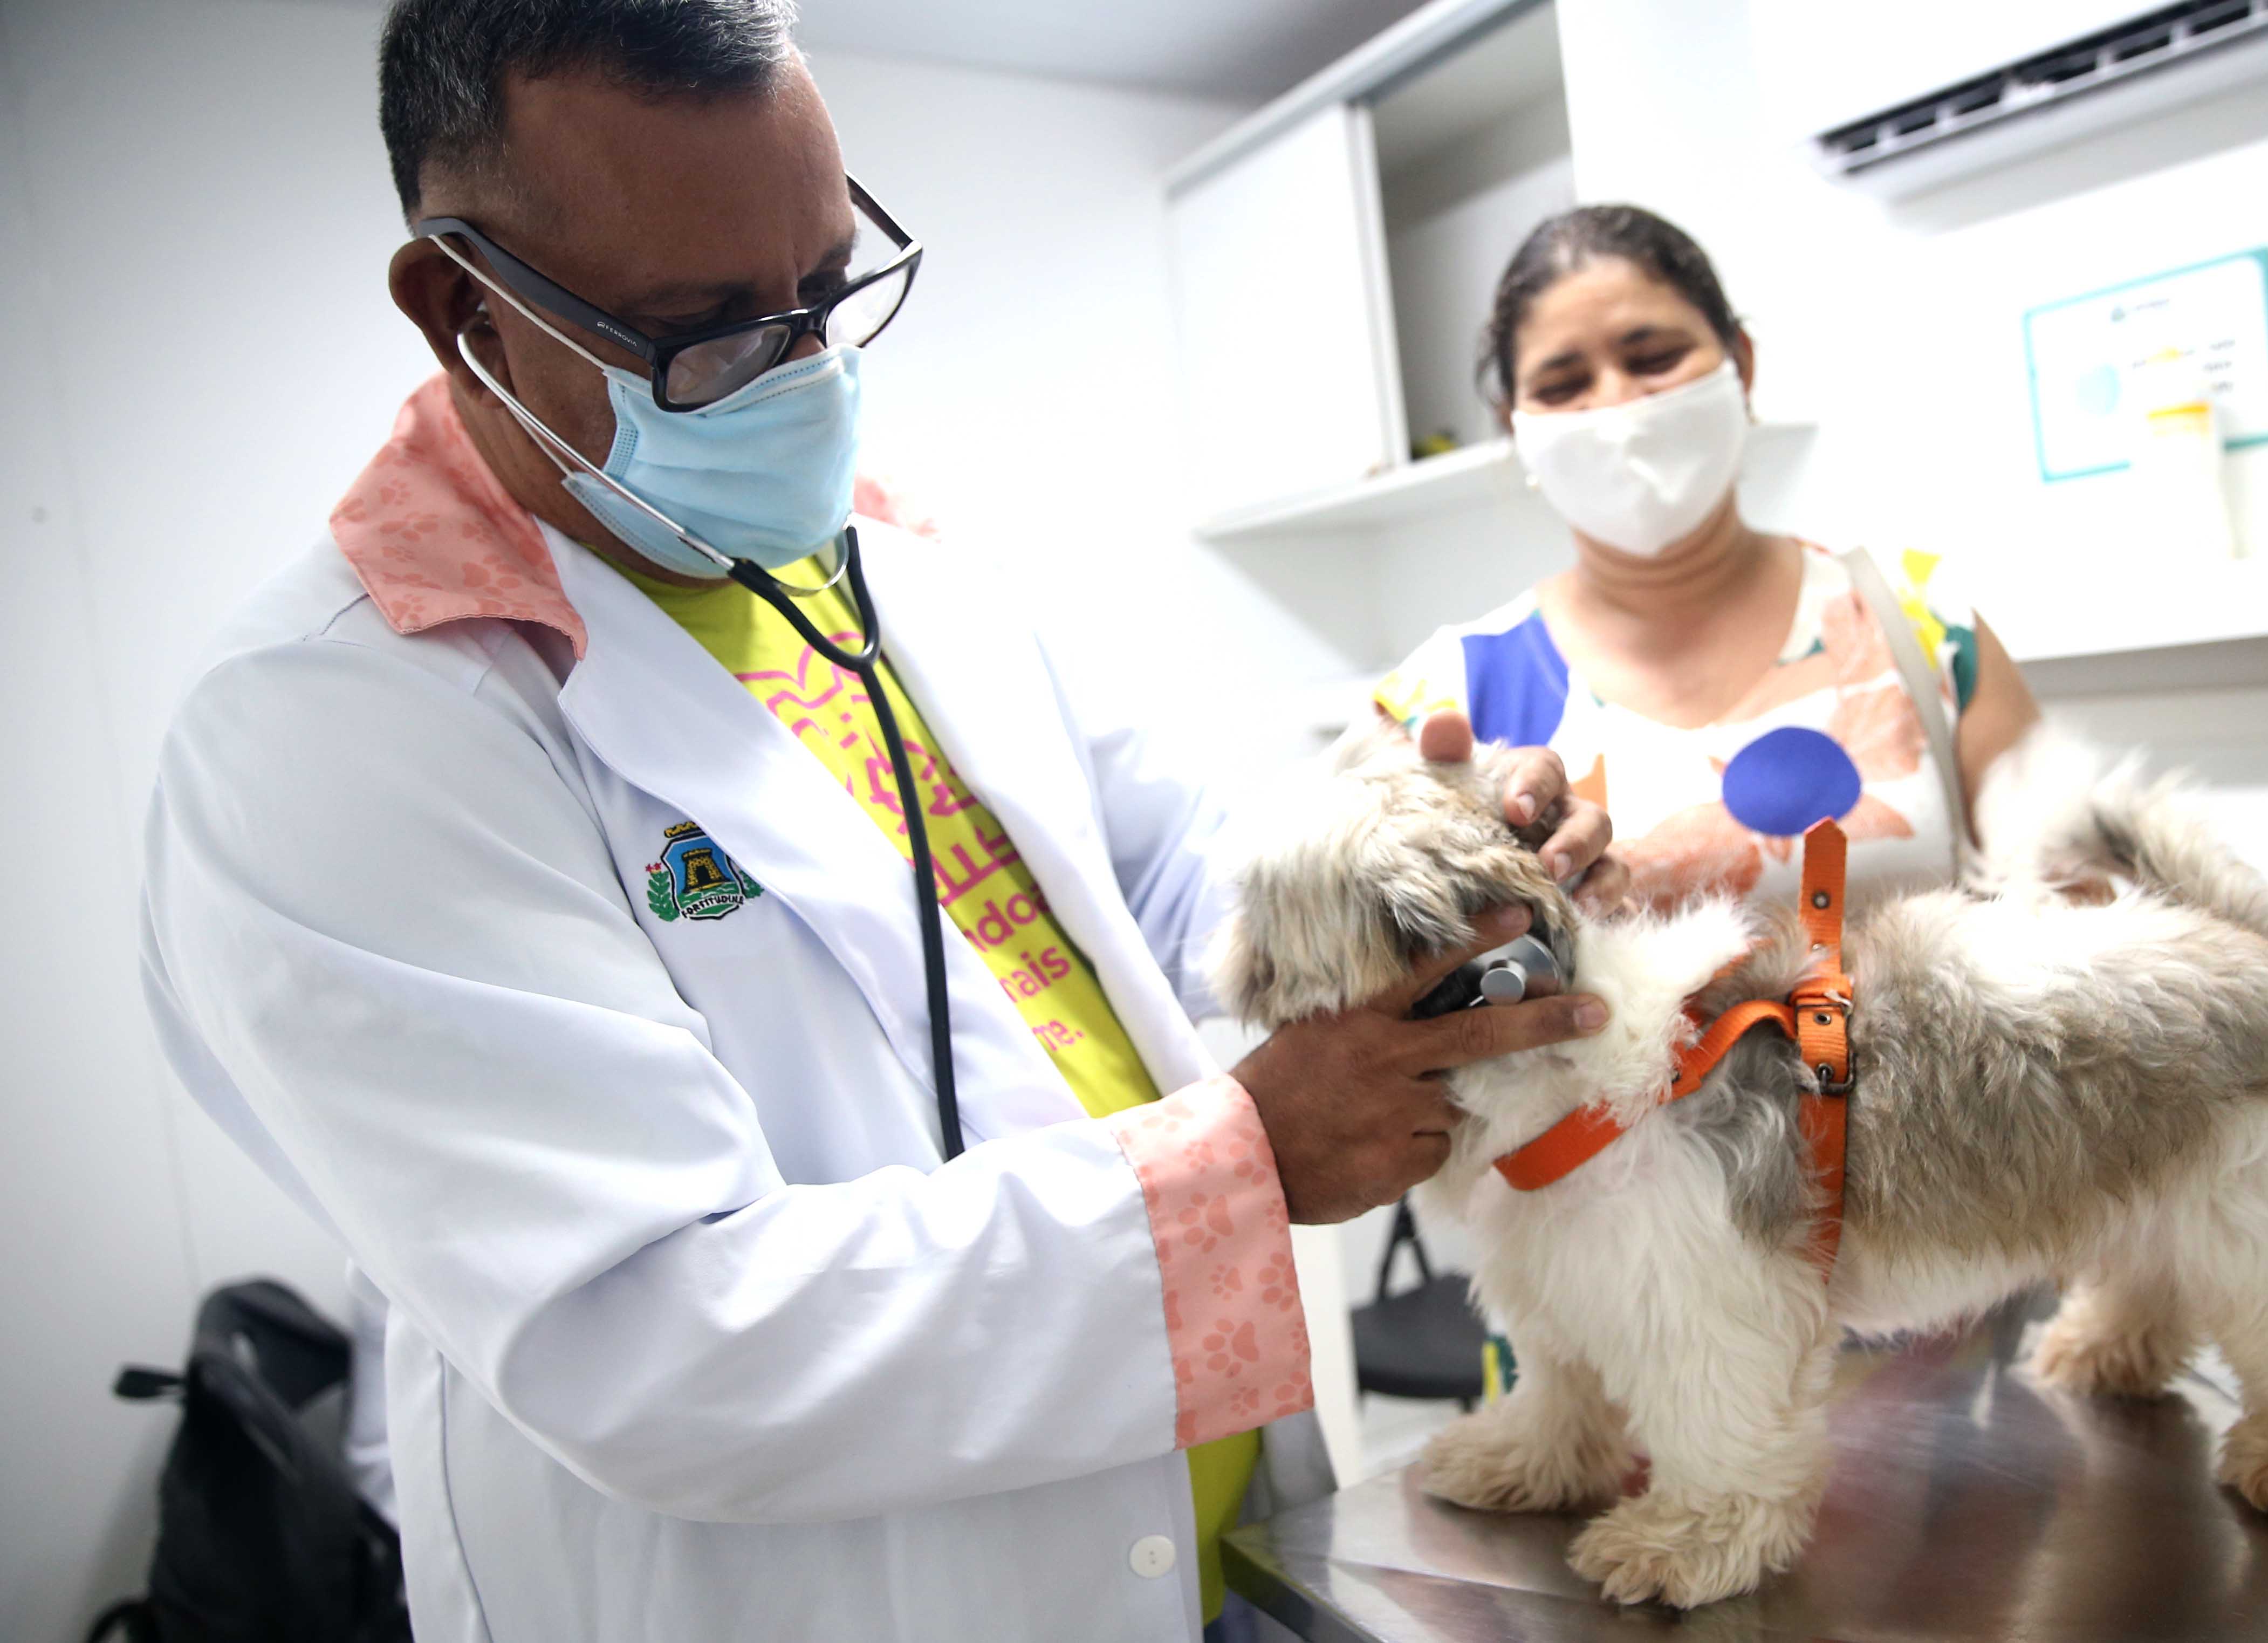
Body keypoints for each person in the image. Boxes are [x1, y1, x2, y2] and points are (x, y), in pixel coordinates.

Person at [135, 5, 1611, 1639]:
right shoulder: (339, 728)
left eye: (828, 289)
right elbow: (666, 1341)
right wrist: (1247, 1161)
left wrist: (1405, 883)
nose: (806, 372)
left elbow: (1178, 887)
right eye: (705, 330)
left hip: (1216, 1562)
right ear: (459, 301)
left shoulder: (899, 574)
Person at [1376, 205, 2046, 911]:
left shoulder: (1920, 617)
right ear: (1518, 423)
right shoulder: (1444, 694)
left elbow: (2080, 920)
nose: (1617, 406)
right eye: (1562, 385)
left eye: (1655, 359)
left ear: (1741, 365)